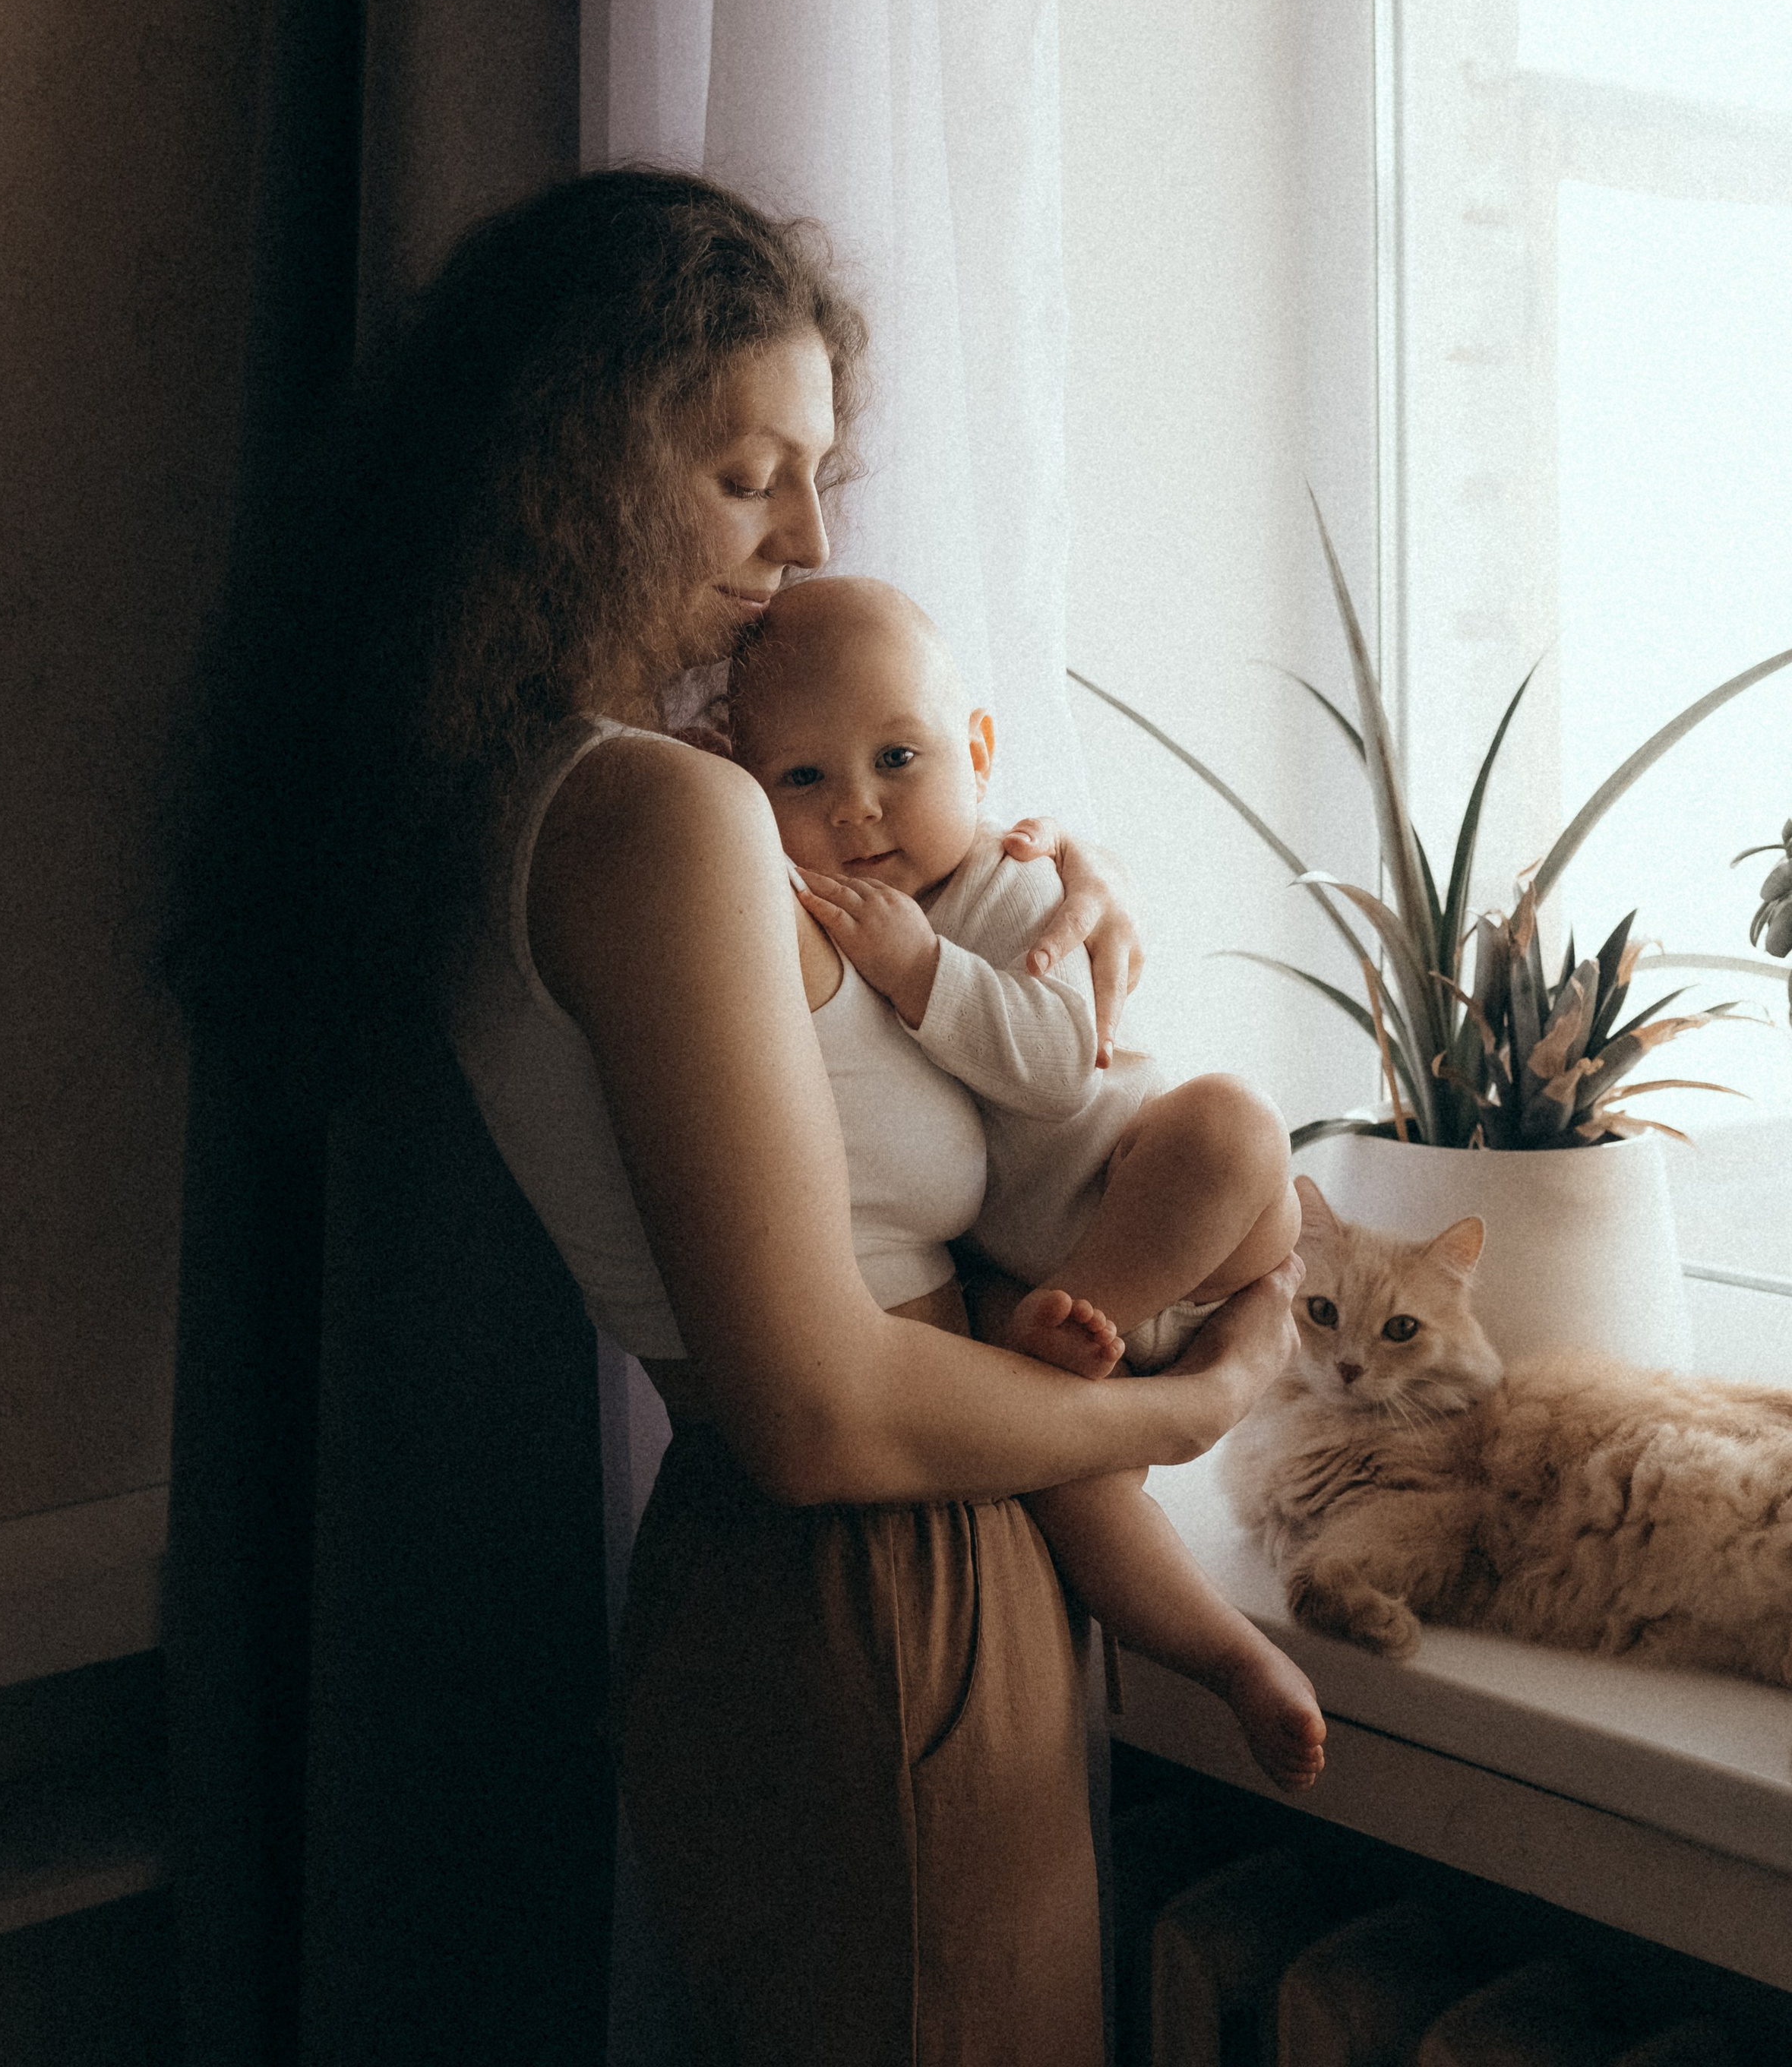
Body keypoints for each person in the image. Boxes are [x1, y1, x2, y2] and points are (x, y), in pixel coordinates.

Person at [179, 166, 1304, 2067]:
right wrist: (1184, 1405)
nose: (797, 537)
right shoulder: (657, 818)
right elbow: (817, 1407)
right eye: (742, 473)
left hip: (815, 1591)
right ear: (578, 468)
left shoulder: (553, 788)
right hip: (877, 1585)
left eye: (817, 478)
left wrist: (1035, 884)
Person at [725, 573, 1326, 1794]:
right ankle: (1232, 1662)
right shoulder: (811, 908)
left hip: (1161, 1219)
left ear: (980, 752)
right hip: (1029, 1289)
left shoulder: (1016, 887)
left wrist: (923, 971)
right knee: (1070, 1482)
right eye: (803, 781)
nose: (859, 810)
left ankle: (1065, 1336)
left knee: (1232, 1123)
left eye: (899, 756)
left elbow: (1059, 1070)